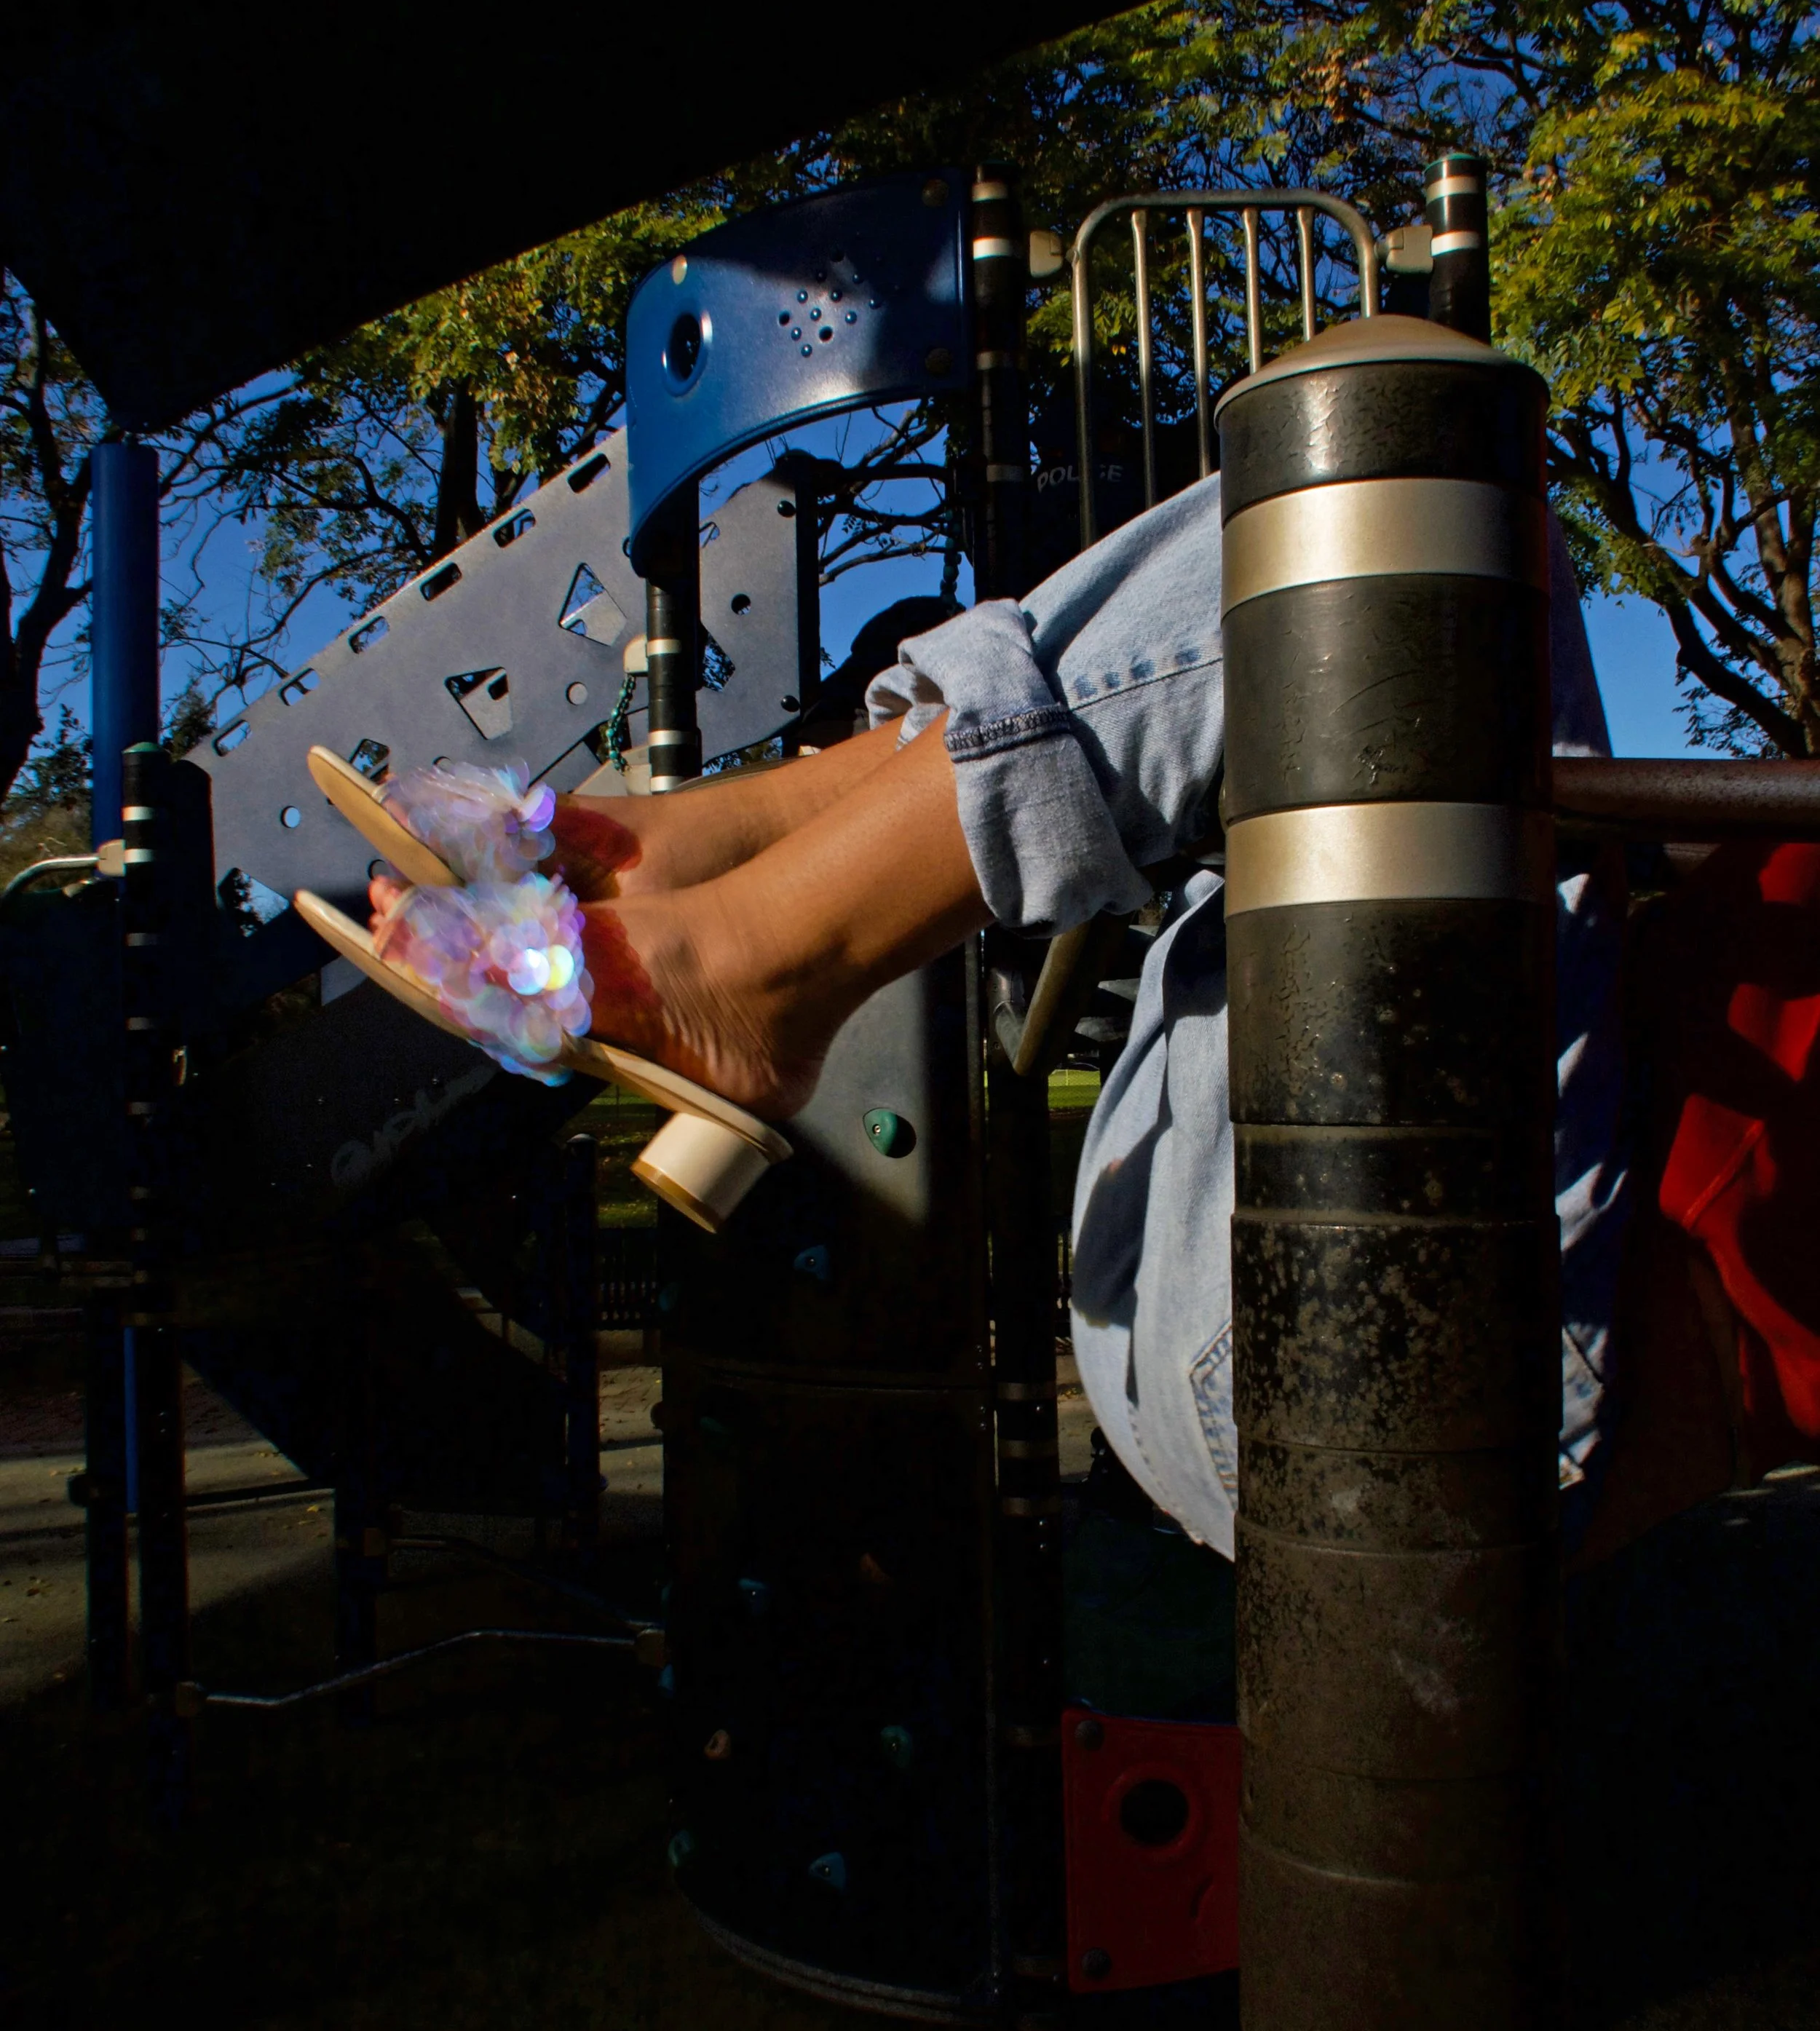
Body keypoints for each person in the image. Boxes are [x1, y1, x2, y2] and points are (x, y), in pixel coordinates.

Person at [371, 473, 1629, 1557]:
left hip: (1354, 1377)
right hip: (1306, 1323)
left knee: (1428, 519)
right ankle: (715, 884)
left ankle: (744, 935)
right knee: (1405, 503)